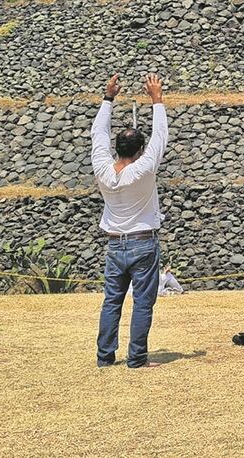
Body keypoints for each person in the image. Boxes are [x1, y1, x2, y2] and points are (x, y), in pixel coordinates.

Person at [92, 73, 168, 369]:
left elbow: (98, 135)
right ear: (139, 151)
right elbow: (160, 138)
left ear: (118, 149)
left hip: (114, 243)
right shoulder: (143, 170)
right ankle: (136, 358)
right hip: (143, 242)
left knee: (112, 301)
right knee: (142, 303)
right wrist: (157, 100)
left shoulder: (103, 169)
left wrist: (108, 98)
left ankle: (105, 356)